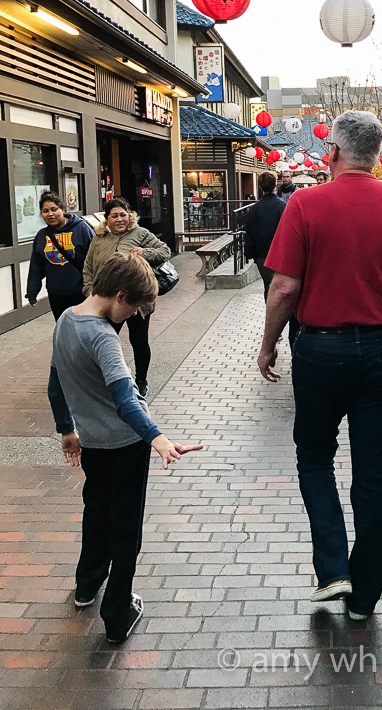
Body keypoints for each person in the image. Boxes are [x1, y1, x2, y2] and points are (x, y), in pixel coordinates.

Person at [257, 110, 382, 620]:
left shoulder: (305, 204)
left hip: (320, 352)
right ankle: (364, 597)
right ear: (377, 156)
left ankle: (333, 569)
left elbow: (284, 288)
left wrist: (268, 344)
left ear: (334, 152)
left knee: (314, 457)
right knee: (375, 474)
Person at [47, 253, 202, 643]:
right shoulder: (102, 336)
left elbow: (55, 381)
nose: (132, 314)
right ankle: (118, 614)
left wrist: (66, 429)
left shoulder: (65, 320)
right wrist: (157, 437)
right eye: (133, 307)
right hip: (126, 444)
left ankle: (86, 586)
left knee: (97, 511)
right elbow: (125, 399)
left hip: (93, 444)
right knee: (126, 526)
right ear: (119, 294)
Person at [82, 198, 170, 397]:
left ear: (130, 215)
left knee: (138, 341)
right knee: (105, 341)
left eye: (123, 214)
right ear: (107, 219)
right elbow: (88, 267)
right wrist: (90, 292)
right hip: (107, 302)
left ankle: (141, 380)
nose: (119, 219)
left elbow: (164, 251)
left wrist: (145, 252)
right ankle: (110, 378)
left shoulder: (140, 233)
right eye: (114, 216)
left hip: (137, 301)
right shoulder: (99, 239)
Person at [26, 191, 94, 320]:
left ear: (62, 209)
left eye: (54, 209)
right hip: (56, 294)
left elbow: (96, 259)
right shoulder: (41, 236)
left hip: (82, 292)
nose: (50, 214)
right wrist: (32, 292)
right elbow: (36, 266)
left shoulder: (81, 229)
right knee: (63, 327)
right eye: (45, 211)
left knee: (83, 326)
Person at [244, 172, 286, 300]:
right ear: (275, 185)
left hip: (262, 255)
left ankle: (270, 310)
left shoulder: (255, 209)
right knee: (282, 287)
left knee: (268, 286)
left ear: (260, 187)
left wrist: (251, 253)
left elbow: (250, 233)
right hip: (281, 254)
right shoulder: (283, 206)